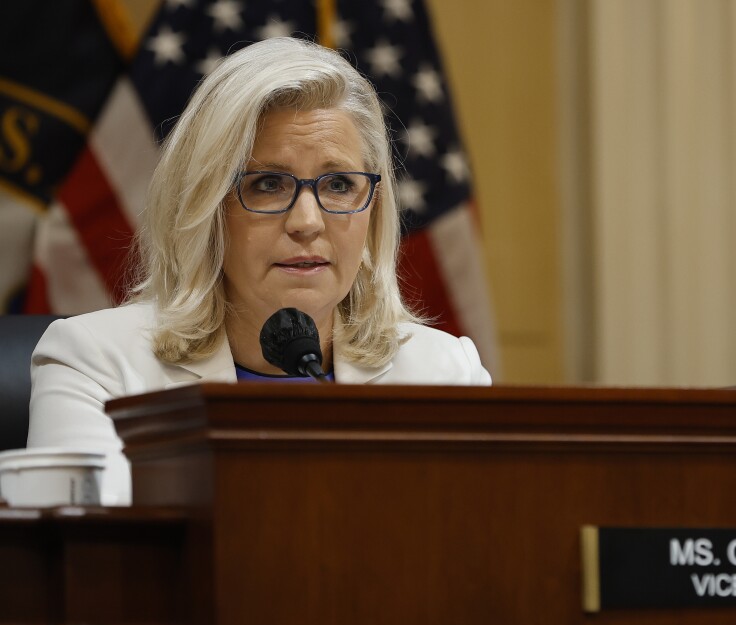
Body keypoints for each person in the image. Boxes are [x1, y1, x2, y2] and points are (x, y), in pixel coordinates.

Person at [27, 37, 491, 505]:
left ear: (373, 212)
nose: (307, 222)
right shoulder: (96, 369)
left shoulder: (445, 375)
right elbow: (95, 568)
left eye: (338, 184)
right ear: (205, 208)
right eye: (268, 184)